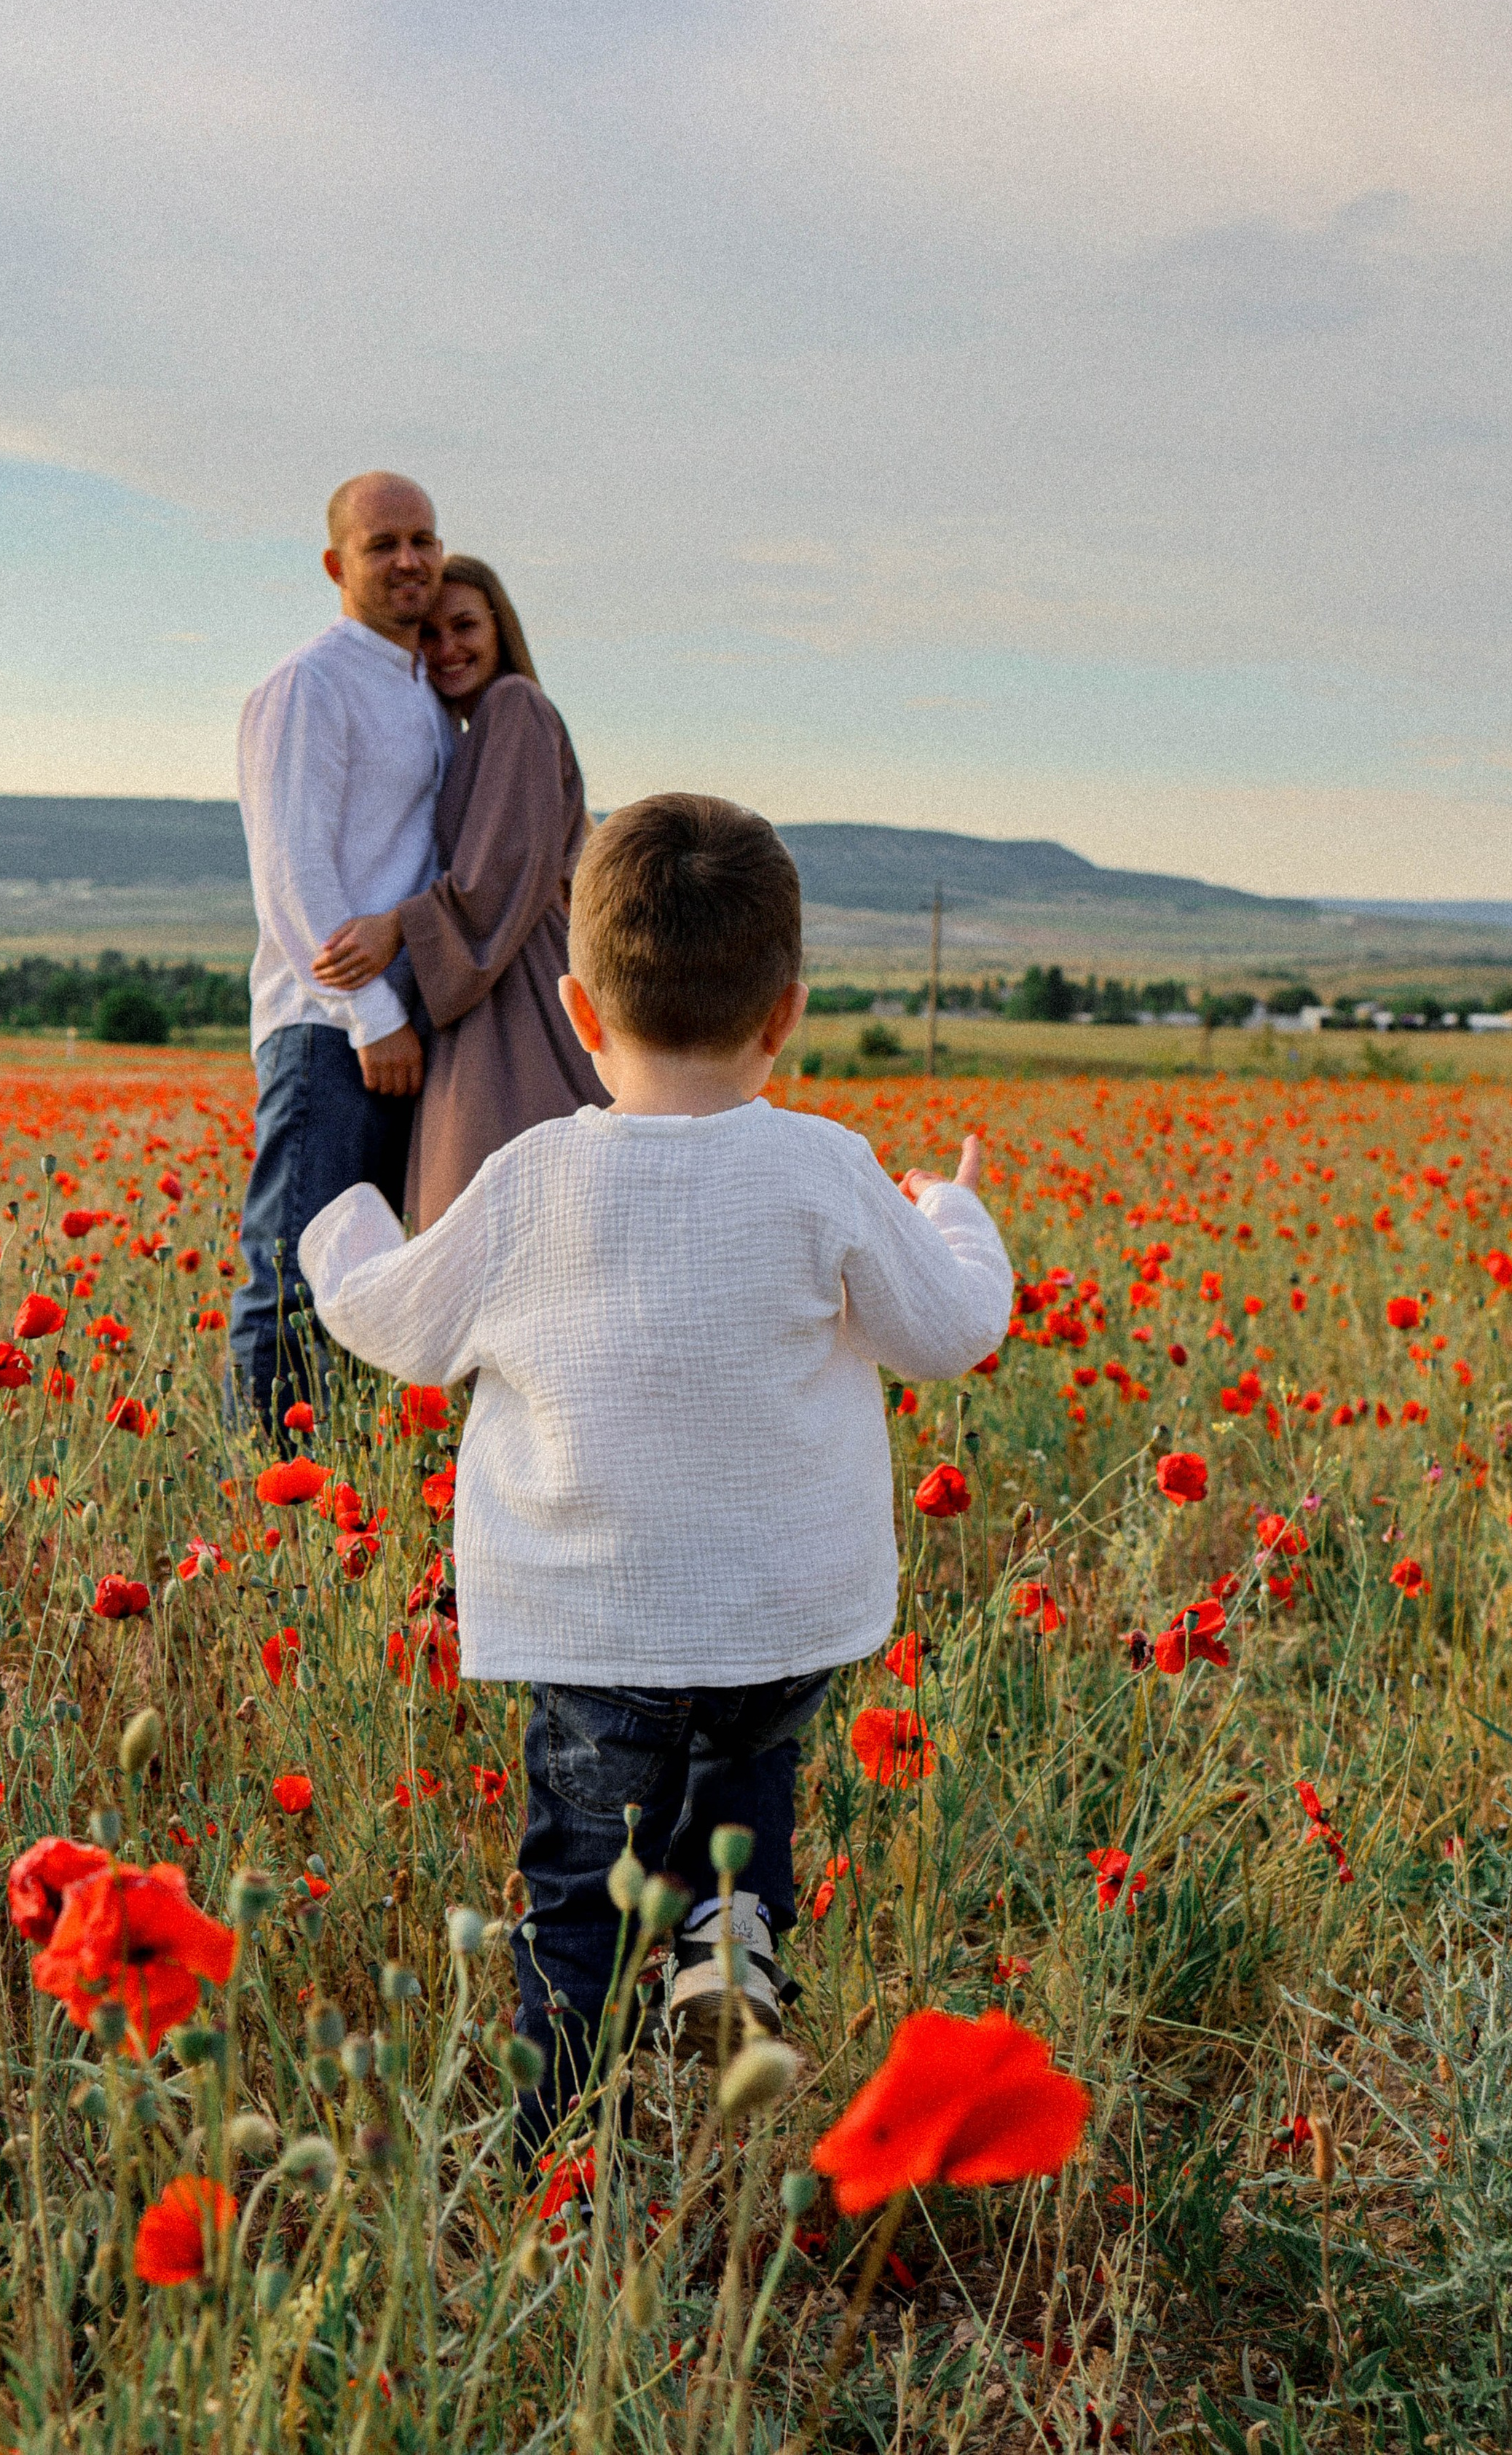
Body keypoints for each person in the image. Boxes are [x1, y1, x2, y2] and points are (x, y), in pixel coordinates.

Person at [297, 793, 1013, 2133]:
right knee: (747, 1772)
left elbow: (398, 1325)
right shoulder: (829, 1171)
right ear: (785, 1013)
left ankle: (556, 2146)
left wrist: (337, 1227)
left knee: (579, 1890)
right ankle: (732, 1931)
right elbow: (953, 1329)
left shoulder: (530, 1179)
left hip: (592, 1624)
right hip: (779, 1614)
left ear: (576, 1011)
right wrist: (954, 1209)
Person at [227, 471, 453, 1431]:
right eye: (382, 543)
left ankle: (340, 1485)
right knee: (295, 1266)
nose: (409, 559)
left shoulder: (428, 693)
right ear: (335, 565)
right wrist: (372, 1017)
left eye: (423, 539)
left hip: (405, 1029)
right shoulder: (309, 684)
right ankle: (260, 1497)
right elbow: (293, 874)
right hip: (331, 1032)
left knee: (369, 1274)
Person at [309, 556, 604, 1230]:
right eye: (430, 635)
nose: (447, 650)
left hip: (515, 984)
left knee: (501, 1201)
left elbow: (506, 866)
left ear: (500, 629)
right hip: (485, 976)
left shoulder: (515, 706)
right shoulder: (470, 732)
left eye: (465, 627)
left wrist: (399, 926)